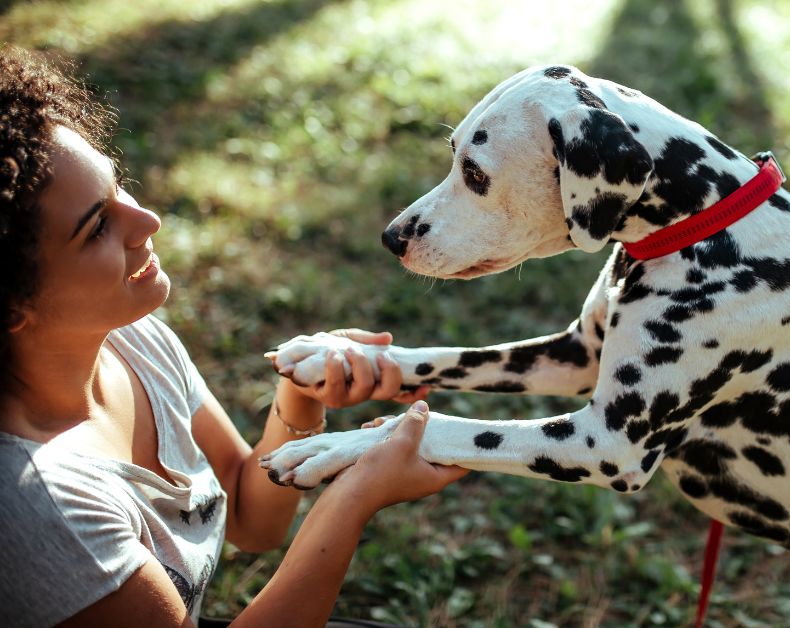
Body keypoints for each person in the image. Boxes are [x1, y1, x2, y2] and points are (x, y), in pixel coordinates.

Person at [0, 44, 468, 627]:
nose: (147, 222)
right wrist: (354, 496)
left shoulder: (132, 342)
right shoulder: (36, 505)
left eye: (117, 186)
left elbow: (253, 518)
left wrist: (300, 395)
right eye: (96, 227)